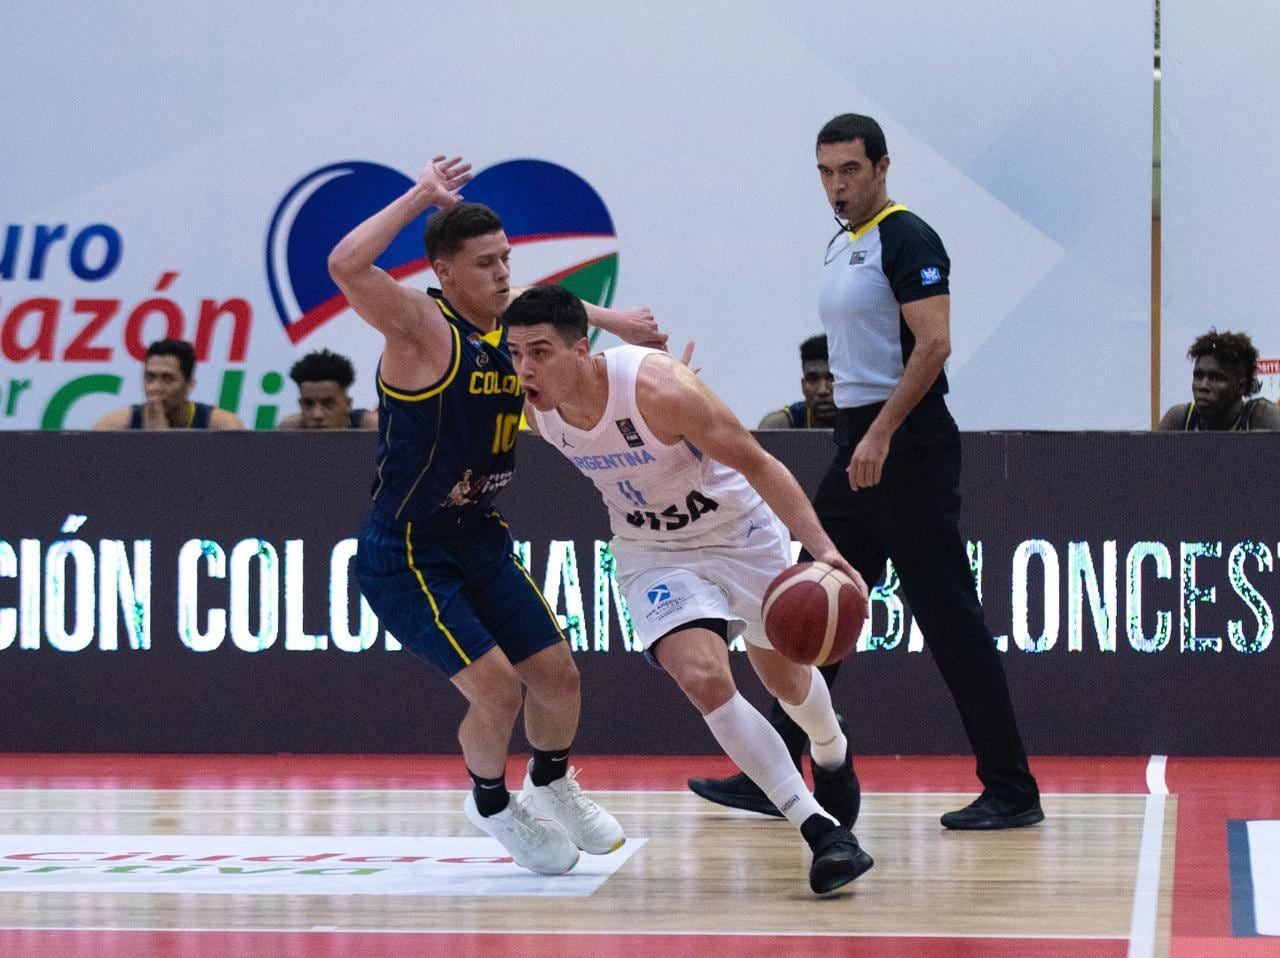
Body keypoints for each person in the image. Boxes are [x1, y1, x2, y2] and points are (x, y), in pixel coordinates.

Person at [691, 113, 1043, 831]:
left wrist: (882, 433)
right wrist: (863, 437)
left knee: (949, 619)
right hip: (858, 443)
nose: (837, 186)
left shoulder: (907, 235)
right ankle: (777, 774)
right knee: (803, 606)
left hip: (904, 447)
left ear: (883, 168)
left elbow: (936, 343)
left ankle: (1012, 789)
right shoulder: (842, 242)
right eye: (825, 172)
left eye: (850, 170)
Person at [328, 155, 665, 876]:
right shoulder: (422, 328)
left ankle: (551, 780)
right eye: (485, 264)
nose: (503, 274)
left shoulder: (514, 335)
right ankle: (489, 803)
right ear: (446, 273)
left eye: (507, 259)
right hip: (408, 550)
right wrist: (420, 196)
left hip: (477, 536)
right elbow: (346, 264)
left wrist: (617, 325)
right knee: (497, 687)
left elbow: (550, 314)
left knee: (560, 676)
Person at [506, 284, 874, 895]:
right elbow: (492, 299)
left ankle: (831, 747)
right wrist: (614, 317)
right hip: (654, 554)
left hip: (740, 533)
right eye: (516, 352)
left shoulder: (659, 390)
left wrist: (825, 552)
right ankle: (820, 830)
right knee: (702, 677)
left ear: (580, 350)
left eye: (539, 352)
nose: (524, 368)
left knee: (785, 678)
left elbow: (760, 463)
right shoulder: (528, 406)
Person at [93, 338, 244, 430]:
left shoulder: (223, 428)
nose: (155, 387)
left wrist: (163, 441)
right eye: (149, 377)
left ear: (189, 384)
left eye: (167, 379)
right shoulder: (113, 428)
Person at [1157, 329, 1280, 431]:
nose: (1203, 386)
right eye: (1198, 376)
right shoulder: (1179, 420)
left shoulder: (1264, 419)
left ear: (1241, 387)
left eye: (1215, 378)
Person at [277, 348, 378, 430]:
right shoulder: (289, 431)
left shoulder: (373, 428)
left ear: (348, 404)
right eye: (308, 404)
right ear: (300, 404)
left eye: (328, 404)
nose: (317, 415)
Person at [758, 334, 837, 428]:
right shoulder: (779, 426)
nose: (822, 390)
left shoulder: (859, 423)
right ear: (803, 385)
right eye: (812, 379)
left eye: (832, 378)